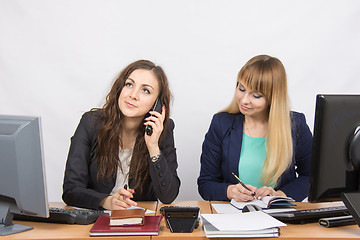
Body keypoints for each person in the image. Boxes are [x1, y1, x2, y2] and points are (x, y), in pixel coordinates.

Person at [62, 60, 180, 210]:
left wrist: (153, 147)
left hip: (140, 222)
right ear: (120, 88)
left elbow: (168, 196)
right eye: (129, 84)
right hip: (95, 219)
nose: (133, 95)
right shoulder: (90, 123)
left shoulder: (163, 129)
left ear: (157, 104)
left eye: (146, 90)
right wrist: (106, 201)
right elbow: (71, 190)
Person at [197, 55, 312, 202]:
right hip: (232, 216)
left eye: (256, 95)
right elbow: (206, 183)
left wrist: (280, 194)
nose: (244, 100)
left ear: (273, 98)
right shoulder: (221, 123)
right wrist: (230, 191)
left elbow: (310, 176)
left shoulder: (296, 125)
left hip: (280, 217)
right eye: (241, 89)